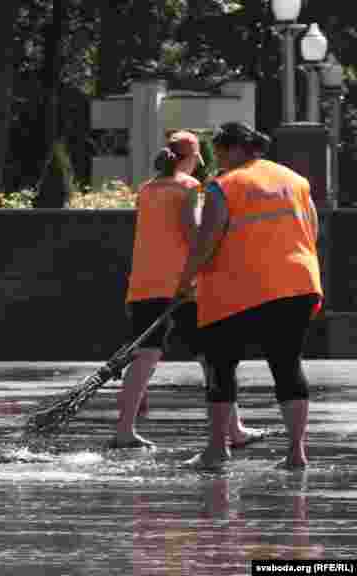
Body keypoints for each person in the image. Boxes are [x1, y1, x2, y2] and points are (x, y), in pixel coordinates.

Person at [176, 121, 322, 469]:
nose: (218, 159)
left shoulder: (224, 186)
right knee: (287, 365)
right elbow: (312, 230)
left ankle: (215, 450)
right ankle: (296, 453)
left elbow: (207, 241)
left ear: (234, 149)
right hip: (297, 284)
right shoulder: (295, 180)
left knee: (221, 366)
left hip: (237, 290)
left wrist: (184, 282)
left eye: (220, 151)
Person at [114, 131, 265, 449]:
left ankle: (124, 432)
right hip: (183, 286)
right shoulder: (189, 187)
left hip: (143, 285)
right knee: (214, 357)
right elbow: (194, 232)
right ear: (193, 158)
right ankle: (233, 430)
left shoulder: (146, 189)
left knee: (144, 358)